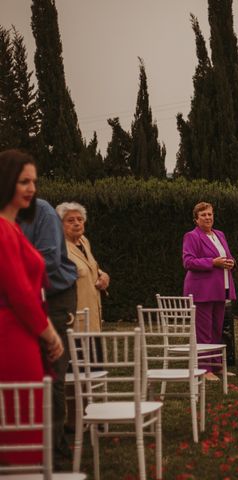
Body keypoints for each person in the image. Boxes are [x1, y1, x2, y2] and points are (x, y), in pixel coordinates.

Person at [0, 149, 64, 465]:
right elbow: (20, 293)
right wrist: (50, 333)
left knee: (26, 422)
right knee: (19, 426)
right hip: (12, 335)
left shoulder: (12, 226)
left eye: (34, 182)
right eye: (24, 181)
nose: (31, 188)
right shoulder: (2, 229)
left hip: (22, 332)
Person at [20, 195, 77, 466]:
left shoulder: (42, 212)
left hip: (55, 294)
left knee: (52, 366)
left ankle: (54, 446)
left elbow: (47, 261)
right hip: (19, 294)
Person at [182, 201, 236, 381]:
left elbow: (226, 256)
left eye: (210, 214)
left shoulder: (220, 234)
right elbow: (188, 262)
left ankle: (217, 365)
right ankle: (205, 370)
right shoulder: (192, 236)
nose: (208, 217)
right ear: (196, 219)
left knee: (217, 329)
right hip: (201, 290)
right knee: (204, 331)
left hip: (221, 287)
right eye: (203, 215)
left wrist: (231, 262)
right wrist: (213, 263)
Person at [55, 202, 110, 333]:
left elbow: (90, 267)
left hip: (93, 318)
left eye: (80, 219)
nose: (77, 223)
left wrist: (103, 275)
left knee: (94, 353)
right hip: (74, 321)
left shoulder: (84, 241)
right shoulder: (58, 248)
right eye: (70, 220)